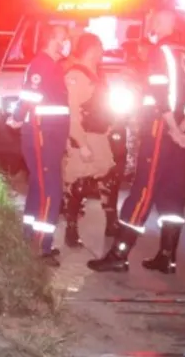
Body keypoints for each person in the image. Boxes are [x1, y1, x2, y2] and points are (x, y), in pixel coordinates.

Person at [86, 9, 185, 275]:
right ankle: (167, 256)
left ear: (164, 23)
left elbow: (160, 94)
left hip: (160, 130)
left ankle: (119, 254)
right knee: (173, 194)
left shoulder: (160, 52)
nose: (151, 22)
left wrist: (173, 127)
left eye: (155, 19)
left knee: (144, 189)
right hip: (181, 136)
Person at [6, 24, 72, 267]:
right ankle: (40, 246)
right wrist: (16, 116)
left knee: (39, 186)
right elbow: (29, 96)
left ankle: (31, 238)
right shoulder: (42, 64)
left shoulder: (52, 66)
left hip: (49, 136)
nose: (67, 43)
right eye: (64, 38)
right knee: (49, 190)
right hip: (42, 133)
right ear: (51, 40)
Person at [61, 32, 119, 246]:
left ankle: (112, 222)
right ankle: (71, 230)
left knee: (109, 177)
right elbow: (72, 113)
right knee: (77, 184)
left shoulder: (97, 74)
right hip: (84, 137)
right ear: (92, 49)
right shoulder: (76, 76)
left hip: (100, 136)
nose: (103, 52)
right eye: (101, 48)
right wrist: (80, 143)